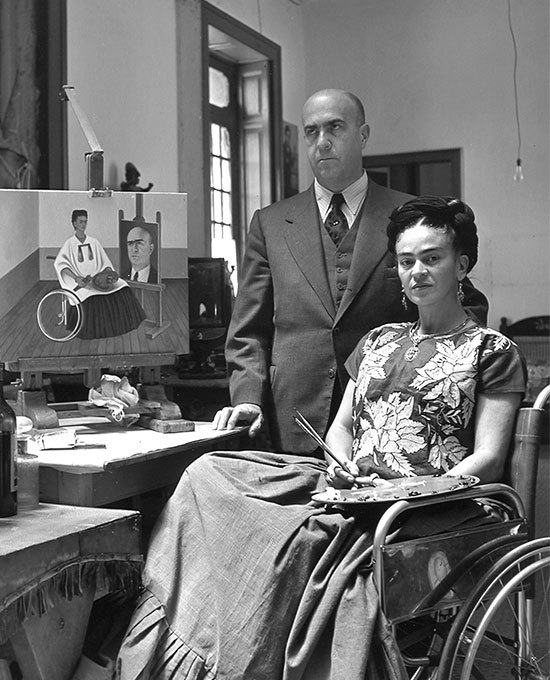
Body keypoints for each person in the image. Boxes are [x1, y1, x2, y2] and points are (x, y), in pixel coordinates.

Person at [116, 196, 525, 680]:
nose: (417, 271)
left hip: (424, 507)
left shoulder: (490, 351)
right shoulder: (379, 341)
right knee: (209, 474)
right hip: (351, 487)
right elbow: (344, 426)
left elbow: (490, 457)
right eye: (406, 260)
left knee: (290, 539)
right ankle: (184, 637)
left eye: (432, 258)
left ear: (462, 264)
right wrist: (341, 465)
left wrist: (408, 493)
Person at [213, 89, 488, 453]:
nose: (322, 142)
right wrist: (248, 397)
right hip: (294, 418)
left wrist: (429, 377)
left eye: (335, 128)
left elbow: (466, 307)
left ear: (363, 134)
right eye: (311, 132)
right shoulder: (271, 224)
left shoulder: (412, 217)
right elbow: (248, 329)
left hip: (391, 422)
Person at [54, 209, 146, 339]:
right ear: (74, 223)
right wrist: (76, 278)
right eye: (80, 222)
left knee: (123, 286)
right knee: (89, 295)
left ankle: (125, 323)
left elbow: (105, 262)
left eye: (85, 222)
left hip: (97, 277)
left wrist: (107, 273)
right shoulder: (69, 244)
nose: (83, 225)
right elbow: (61, 264)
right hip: (82, 281)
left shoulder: (94, 242)